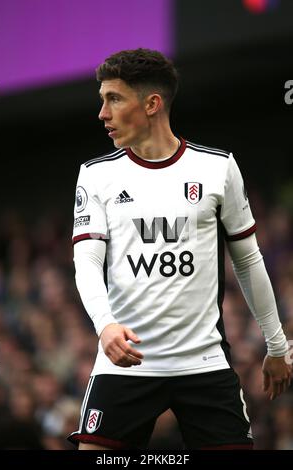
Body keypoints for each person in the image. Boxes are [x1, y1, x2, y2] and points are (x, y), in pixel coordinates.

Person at [68, 48, 292, 450]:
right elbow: (86, 261)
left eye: (114, 99)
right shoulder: (96, 175)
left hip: (203, 362)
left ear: (152, 103)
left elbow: (248, 260)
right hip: (126, 364)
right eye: (103, 100)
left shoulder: (217, 168)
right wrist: (105, 326)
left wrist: (277, 346)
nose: (102, 113)